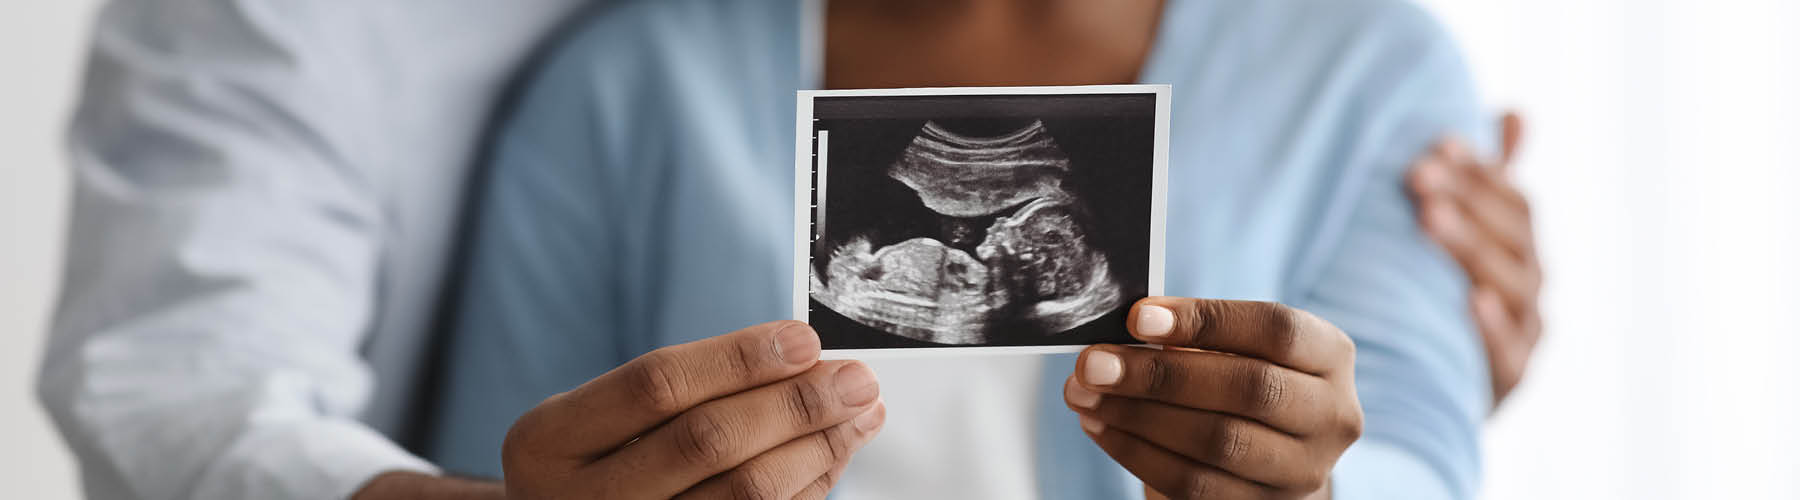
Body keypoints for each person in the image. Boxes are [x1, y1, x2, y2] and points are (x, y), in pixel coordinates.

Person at [37, 1, 1540, 499]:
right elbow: (202, 376)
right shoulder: (632, 82)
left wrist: (1307, 463)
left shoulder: (1364, 59)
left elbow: (1404, 437)